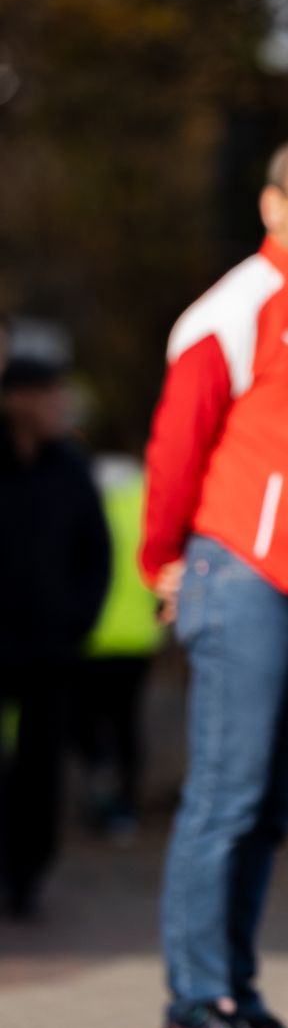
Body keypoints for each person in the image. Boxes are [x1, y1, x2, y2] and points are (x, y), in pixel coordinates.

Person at [140, 132, 288, 1028]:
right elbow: (174, 446)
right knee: (224, 801)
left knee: (271, 808)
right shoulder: (232, 309)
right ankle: (194, 1009)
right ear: (274, 205)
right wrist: (165, 560)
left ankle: (236, 994)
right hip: (241, 576)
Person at [0, 355, 111, 917]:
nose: (59, 408)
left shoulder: (70, 469)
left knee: (42, 767)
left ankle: (26, 876)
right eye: (50, 396)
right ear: (17, 399)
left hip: (50, 648)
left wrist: (76, 622)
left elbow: (97, 554)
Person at [74, 448, 165, 841]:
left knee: (89, 723)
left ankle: (109, 792)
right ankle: (123, 801)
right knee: (125, 724)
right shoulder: (149, 497)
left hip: (91, 636)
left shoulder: (82, 493)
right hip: (137, 637)